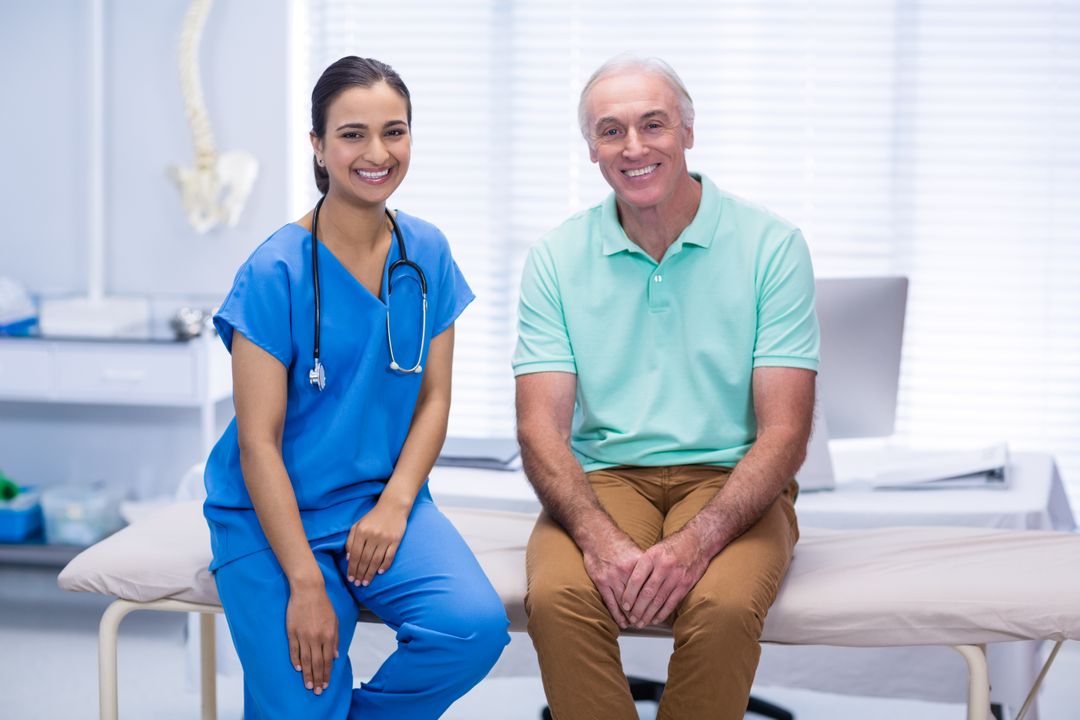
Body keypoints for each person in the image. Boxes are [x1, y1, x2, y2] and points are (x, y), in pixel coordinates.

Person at [514, 55, 819, 720]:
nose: (634, 147)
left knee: (724, 606)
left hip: (731, 476)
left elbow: (785, 431)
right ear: (591, 148)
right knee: (561, 600)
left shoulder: (771, 245)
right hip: (608, 478)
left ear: (686, 131)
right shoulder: (556, 258)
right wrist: (599, 538)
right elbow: (540, 428)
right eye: (611, 130)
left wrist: (696, 543)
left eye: (653, 124)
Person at [203, 56, 509, 719]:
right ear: (317, 145)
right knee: (305, 694)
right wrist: (305, 580)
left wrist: (398, 502)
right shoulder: (274, 271)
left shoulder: (425, 252)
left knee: (472, 628)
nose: (377, 153)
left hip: (378, 500)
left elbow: (434, 399)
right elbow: (258, 443)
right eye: (352, 134)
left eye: (394, 132)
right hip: (271, 511)